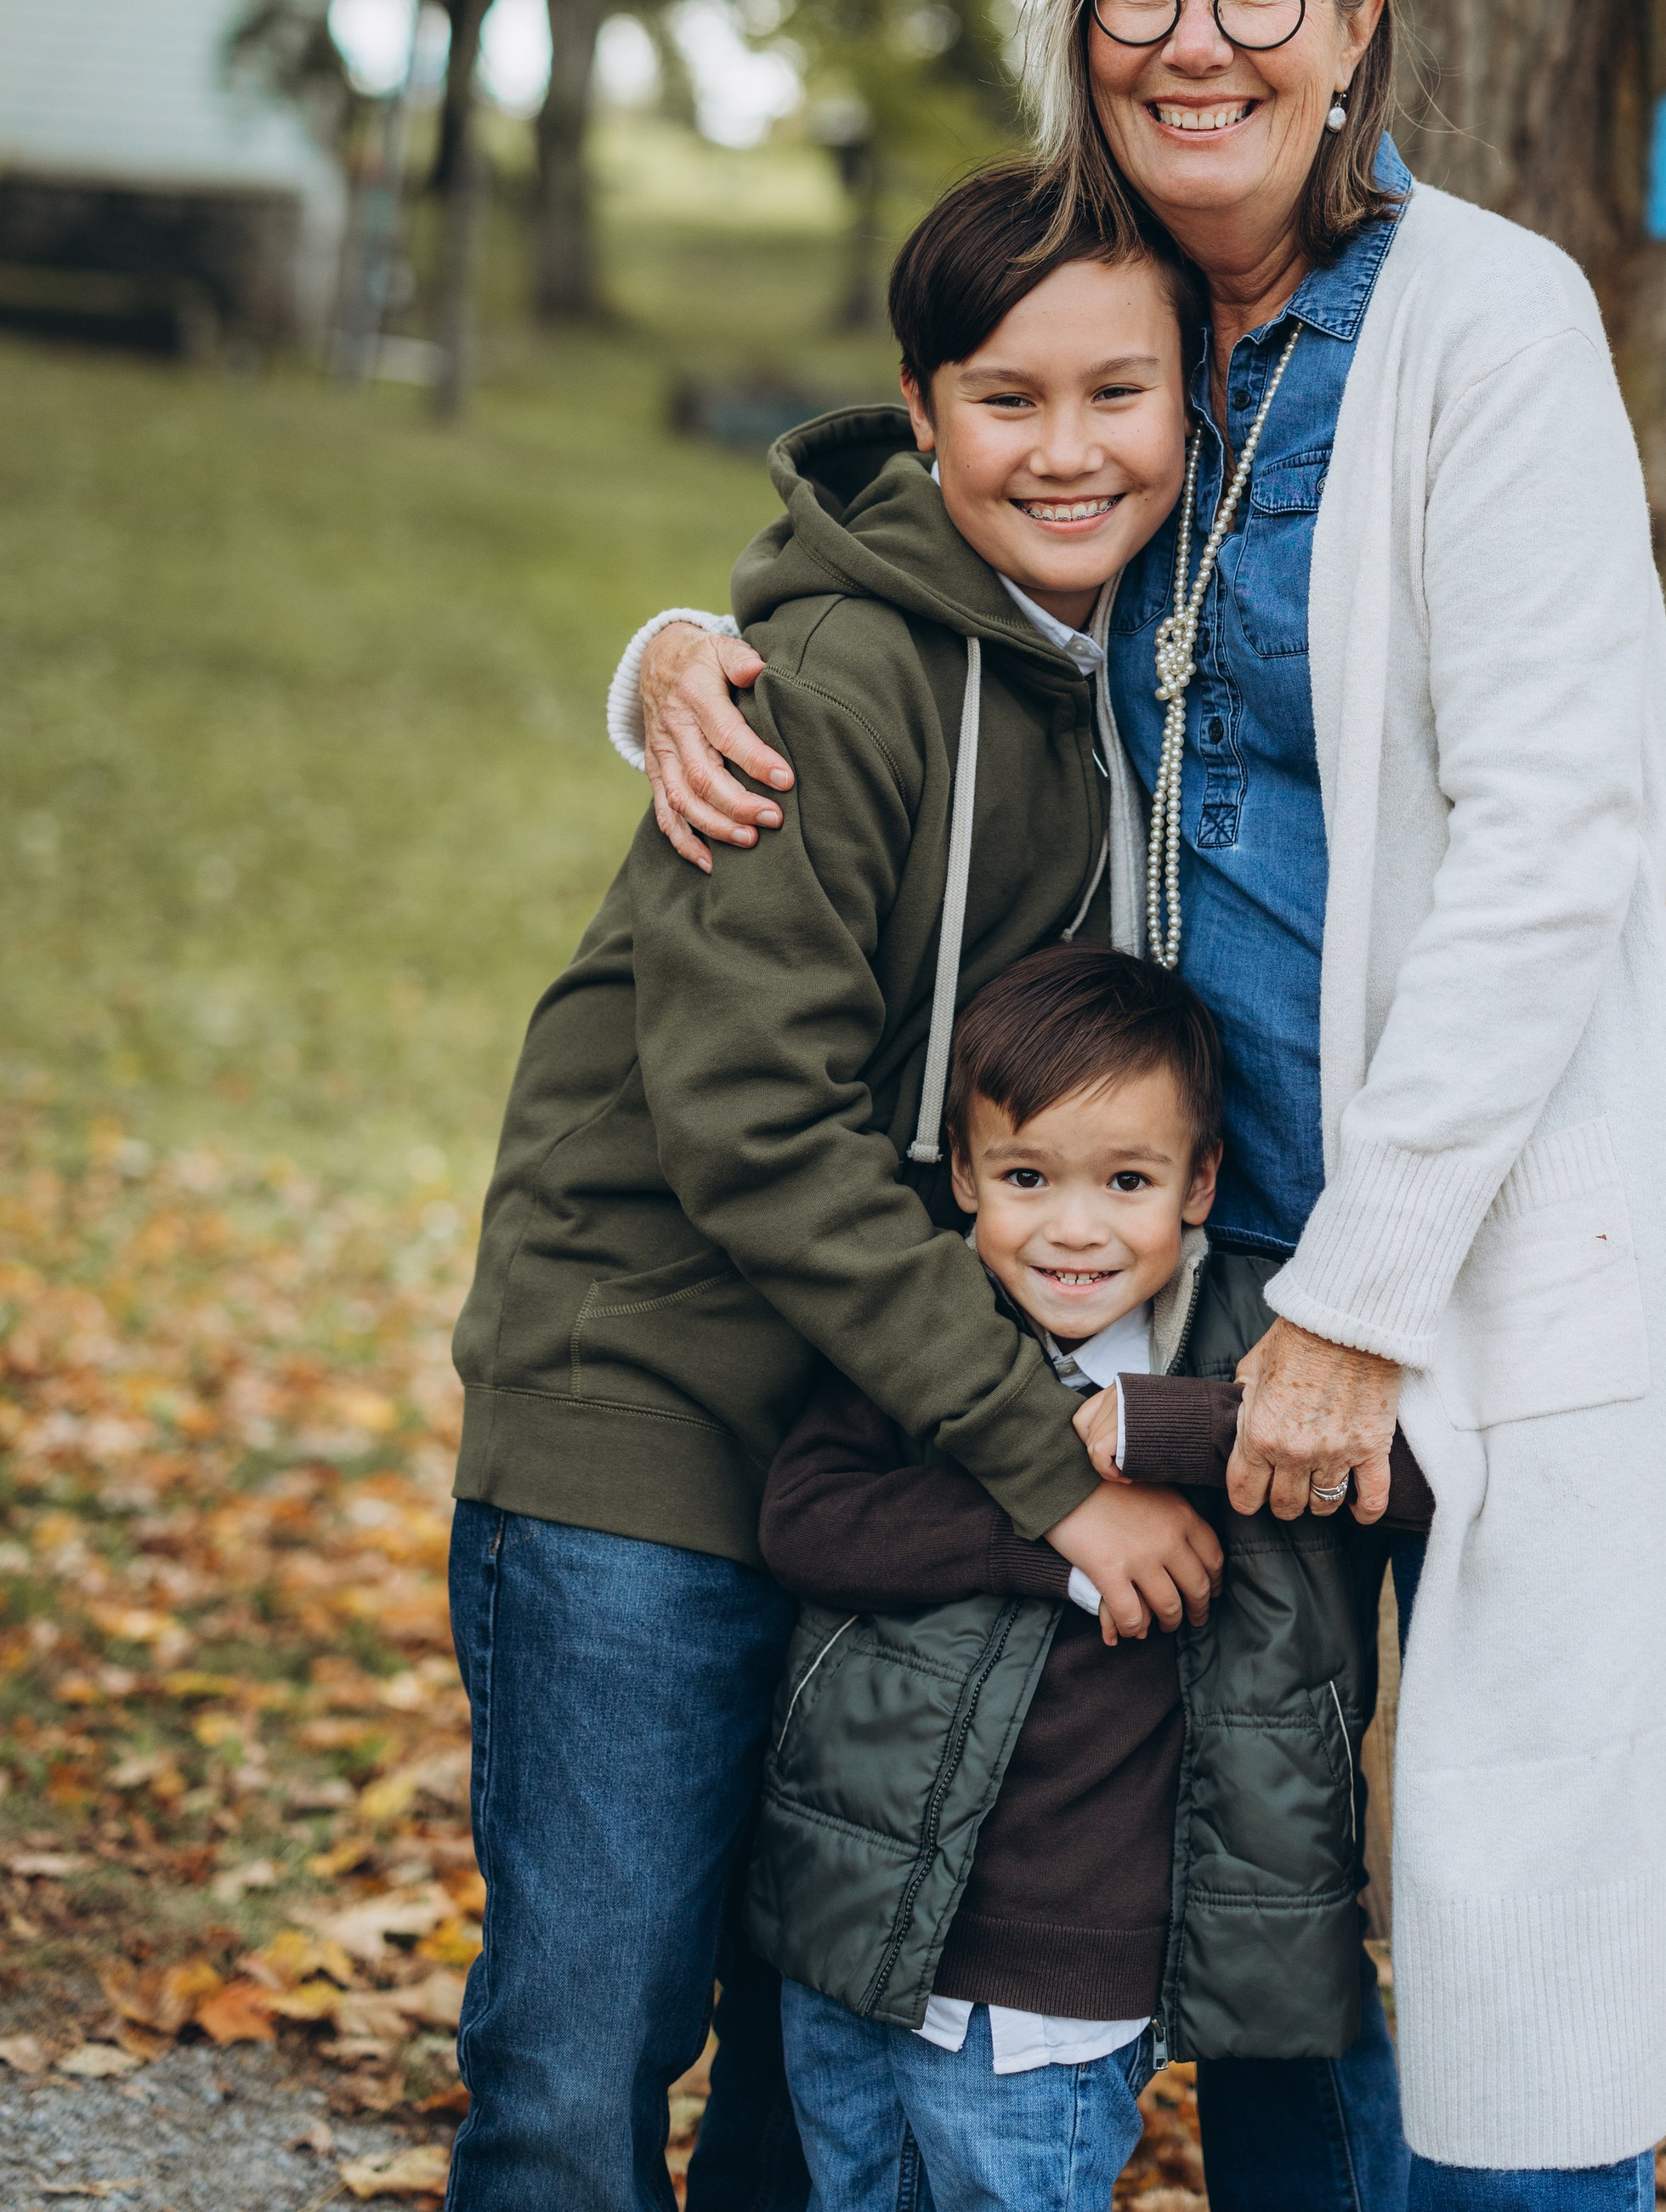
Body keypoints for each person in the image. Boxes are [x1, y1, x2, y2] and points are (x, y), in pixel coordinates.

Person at [619, 0, 1666, 2212]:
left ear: (1356, 26)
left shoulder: (1489, 318)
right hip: (1200, 1264)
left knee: (1504, 1939)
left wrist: (1361, 1299)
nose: (1199, 38)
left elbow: (1560, 810)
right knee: (1270, 1923)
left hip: (1476, 1246)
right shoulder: (1113, 308)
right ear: (1082, 25)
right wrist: (669, 657)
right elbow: (913, 535)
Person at [445, 164, 1227, 2212]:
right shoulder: (839, 687)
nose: (1066, 450)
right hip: (655, 1428)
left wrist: (1645, 879)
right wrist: (1045, 1459)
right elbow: (749, 1123)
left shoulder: (1137, 682)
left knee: (825, 2074)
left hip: (876, 1459)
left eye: (1115, 394)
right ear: (918, 404)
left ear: (1190, 402)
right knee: (587, 2046)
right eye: (1005, 398)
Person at [752, 944, 1432, 2212]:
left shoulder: (1260, 1343)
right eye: (1024, 1178)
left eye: (1127, 1180)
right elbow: (806, 1520)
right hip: (853, 1920)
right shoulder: (936, 1335)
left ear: (1200, 1181)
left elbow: (1408, 1470)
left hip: (1065, 1966)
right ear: (962, 1175)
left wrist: (1160, 1430)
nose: (1074, 1228)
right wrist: (1050, 1531)